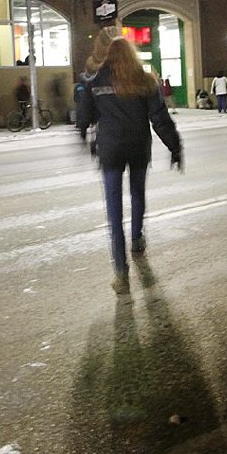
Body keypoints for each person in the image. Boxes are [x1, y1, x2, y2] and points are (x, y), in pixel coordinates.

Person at [79, 34, 182, 296]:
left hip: (111, 149)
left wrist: (84, 134)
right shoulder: (145, 81)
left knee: (114, 211)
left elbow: (85, 115)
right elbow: (160, 118)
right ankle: (137, 240)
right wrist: (175, 147)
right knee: (138, 195)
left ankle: (121, 274)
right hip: (138, 147)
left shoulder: (96, 81)